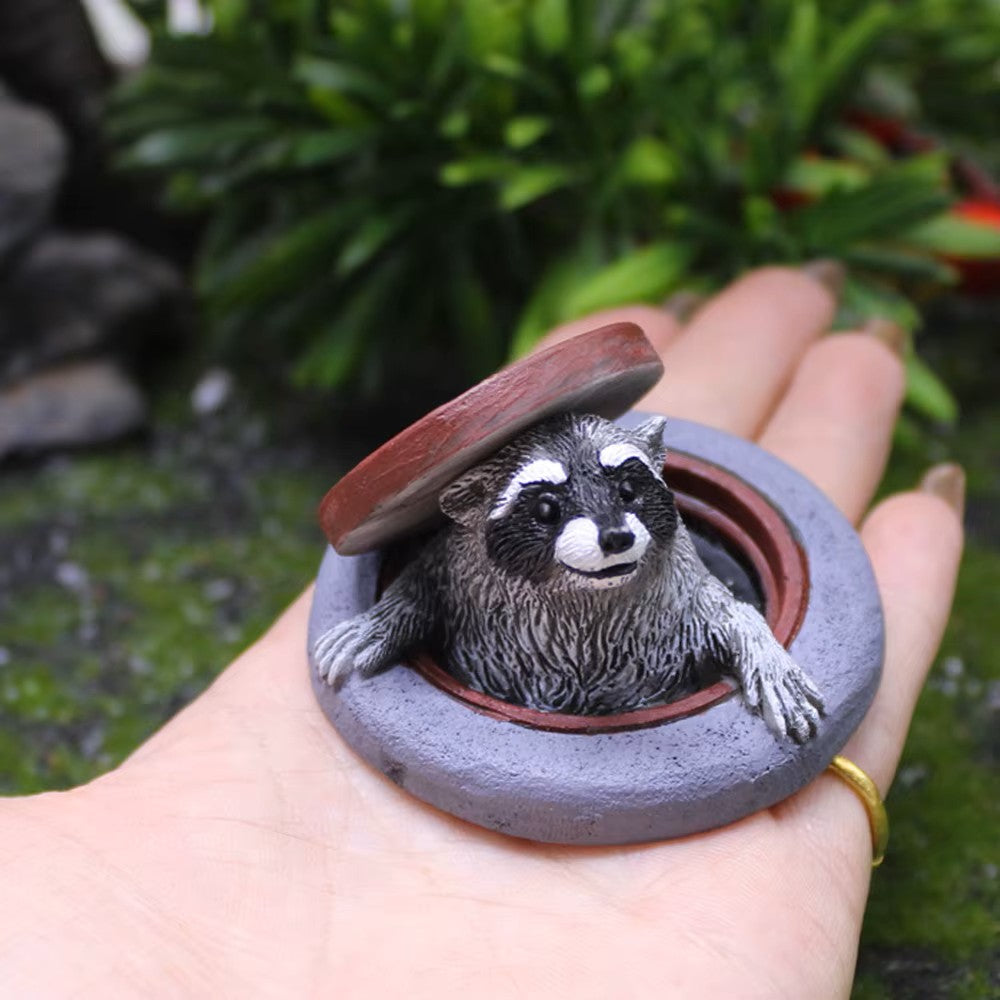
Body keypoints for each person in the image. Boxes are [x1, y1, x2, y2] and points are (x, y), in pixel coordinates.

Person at [0, 264, 964, 998]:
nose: (612, 522)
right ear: (474, 512)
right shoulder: (460, 556)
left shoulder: (661, 557)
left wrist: (763, 655)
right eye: (550, 510)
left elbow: (729, 609)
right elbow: (423, 596)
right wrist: (385, 629)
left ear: (654, 476)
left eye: (631, 489)